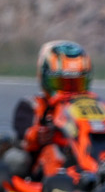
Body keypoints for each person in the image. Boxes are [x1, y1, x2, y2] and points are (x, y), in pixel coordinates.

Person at [8, 40, 93, 172]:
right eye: (62, 84)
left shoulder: (90, 108)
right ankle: (57, 183)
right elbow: (25, 136)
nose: (69, 91)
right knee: (42, 153)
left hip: (82, 156)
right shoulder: (32, 105)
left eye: (76, 84)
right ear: (45, 78)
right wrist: (40, 134)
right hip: (40, 166)